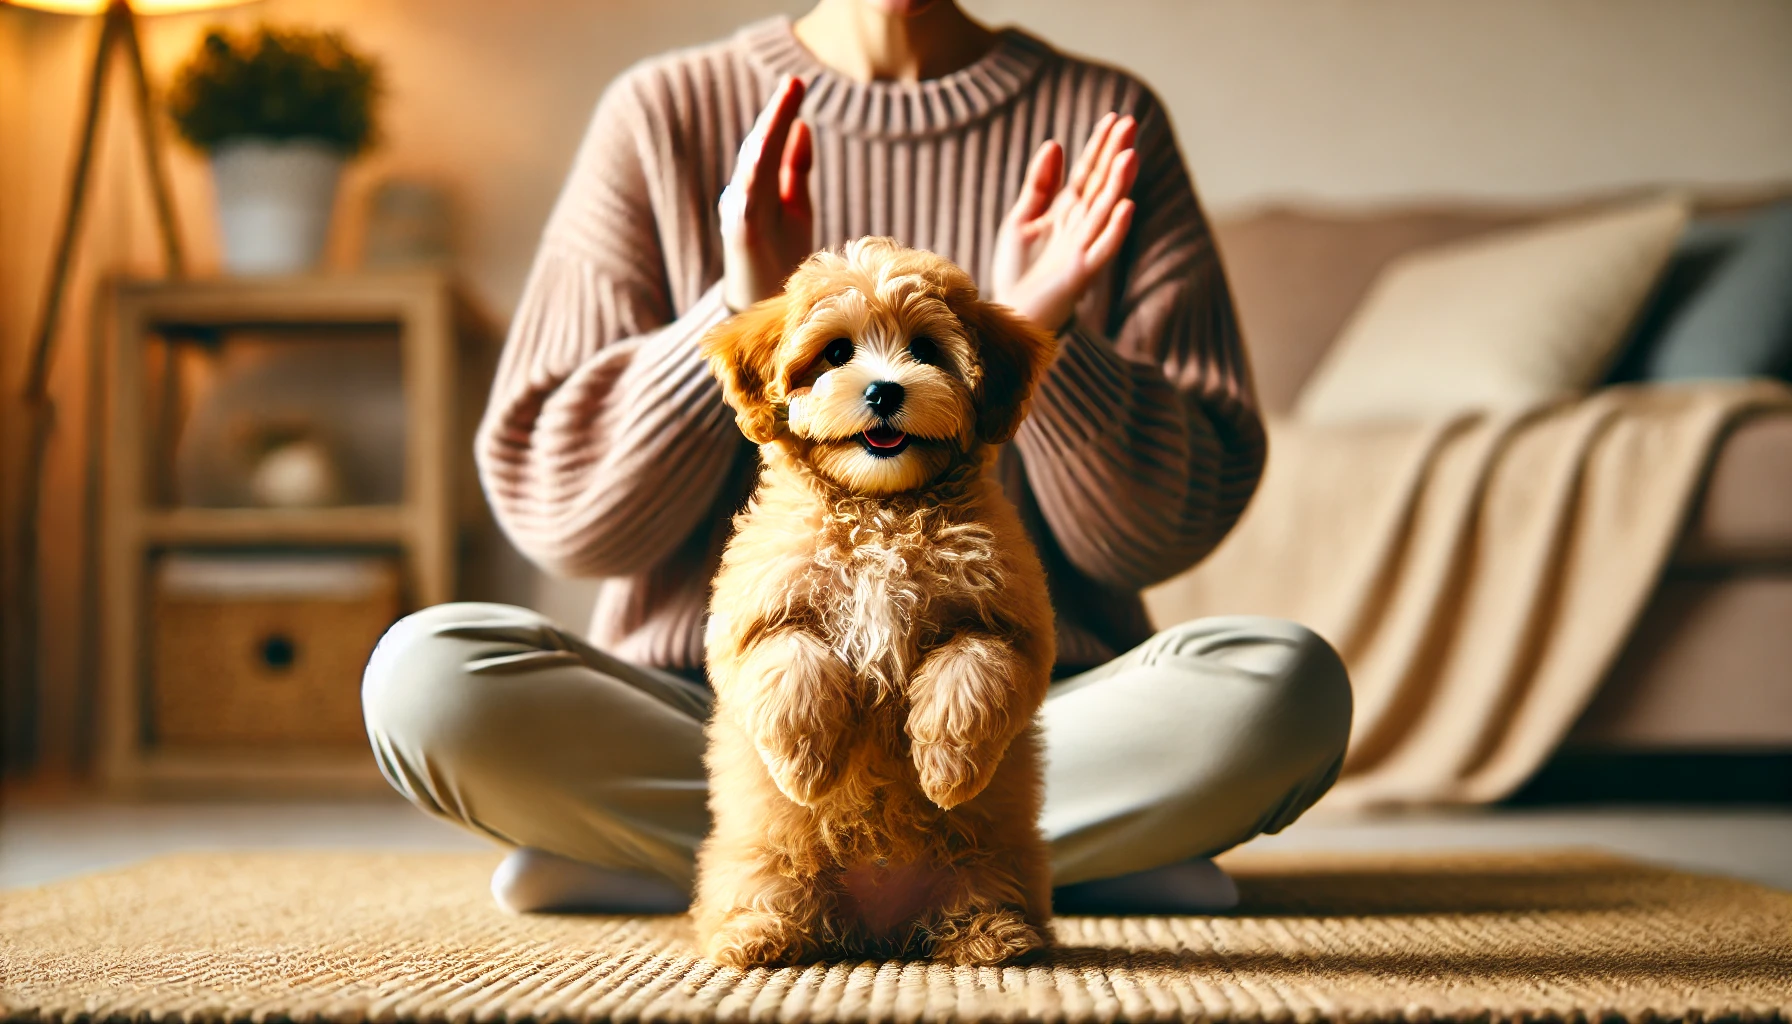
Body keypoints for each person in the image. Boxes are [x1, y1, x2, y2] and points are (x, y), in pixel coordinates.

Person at [362, 0, 1351, 915]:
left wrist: (1035, 339)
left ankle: (669, 855)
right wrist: (738, 309)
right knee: (426, 678)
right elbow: (560, 511)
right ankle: (1037, 857)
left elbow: (1164, 530)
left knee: (1284, 688)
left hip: (1015, 721)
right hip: (710, 719)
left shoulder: (1105, 117)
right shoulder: (661, 113)